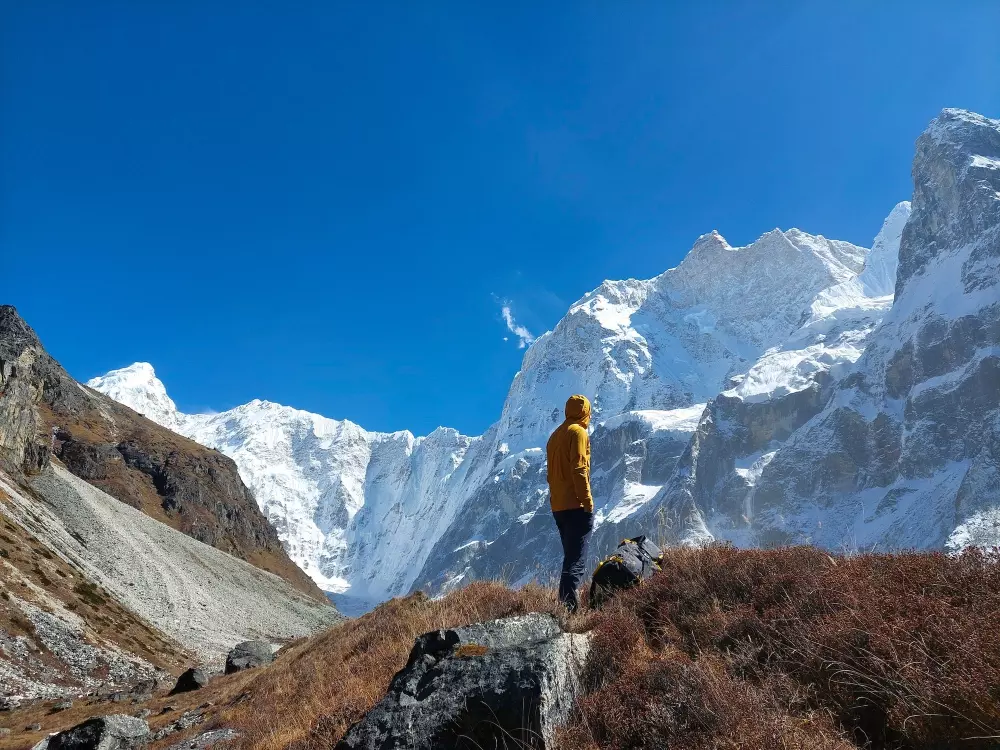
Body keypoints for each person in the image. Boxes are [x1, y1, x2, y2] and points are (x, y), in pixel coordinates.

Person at [546, 394, 594, 612]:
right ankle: (569, 609)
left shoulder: (554, 436)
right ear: (585, 411)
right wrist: (587, 501)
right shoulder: (578, 432)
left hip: (558, 506)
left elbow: (551, 476)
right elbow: (579, 469)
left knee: (569, 557)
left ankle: (564, 606)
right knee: (576, 561)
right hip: (576, 505)